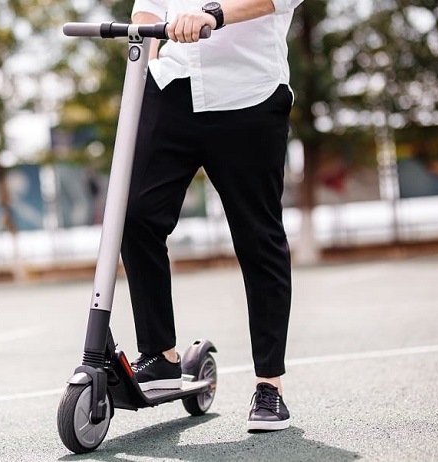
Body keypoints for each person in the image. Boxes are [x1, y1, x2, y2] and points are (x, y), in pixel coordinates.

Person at [123, 0, 303, 432]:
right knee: (133, 218)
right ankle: (160, 356)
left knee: (258, 237)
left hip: (249, 95)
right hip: (171, 89)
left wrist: (213, 14)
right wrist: (152, 46)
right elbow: (146, 10)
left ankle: (269, 385)